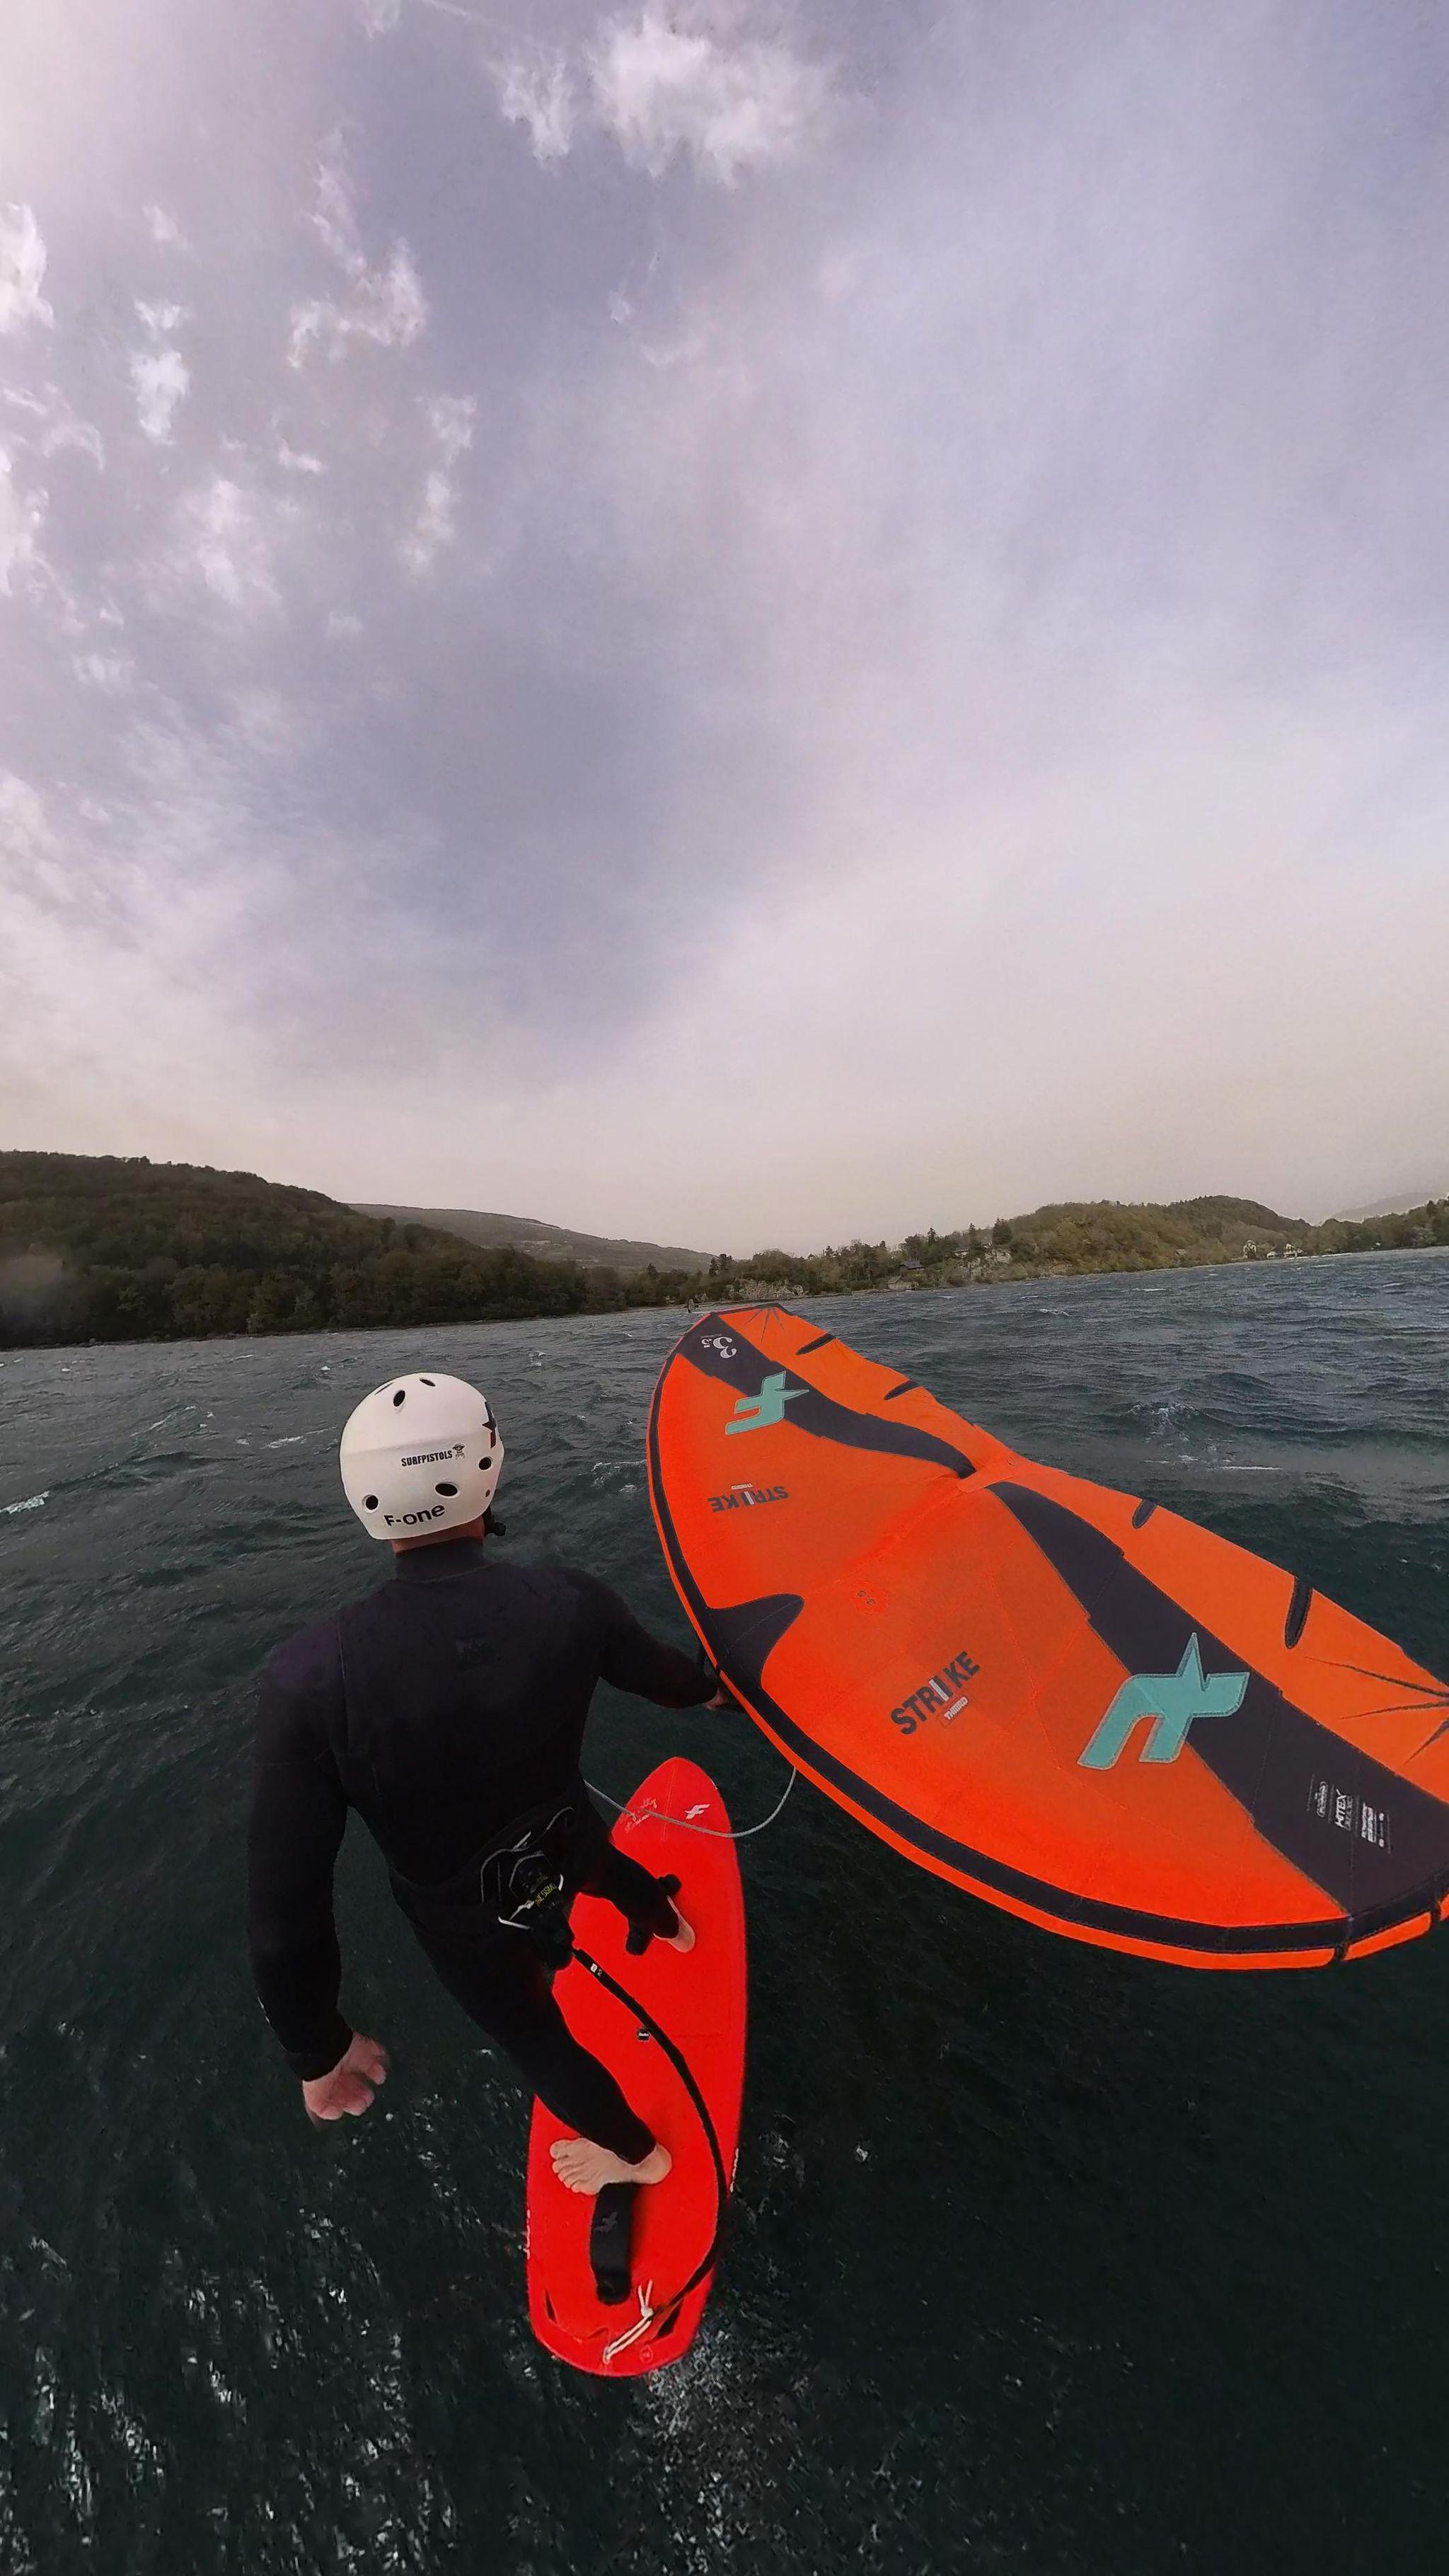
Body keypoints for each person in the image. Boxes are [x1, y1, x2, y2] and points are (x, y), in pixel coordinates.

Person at [246, 1370, 730, 2196]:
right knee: (604, 1868)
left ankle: (637, 2154)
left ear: (362, 1497)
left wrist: (317, 2047)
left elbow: (285, 1911)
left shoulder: (312, 1680)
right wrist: (722, 1685)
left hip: (467, 1919)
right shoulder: (572, 1600)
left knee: (538, 2038)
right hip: (569, 1838)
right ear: (489, 1467)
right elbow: (676, 1682)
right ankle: (671, 1923)